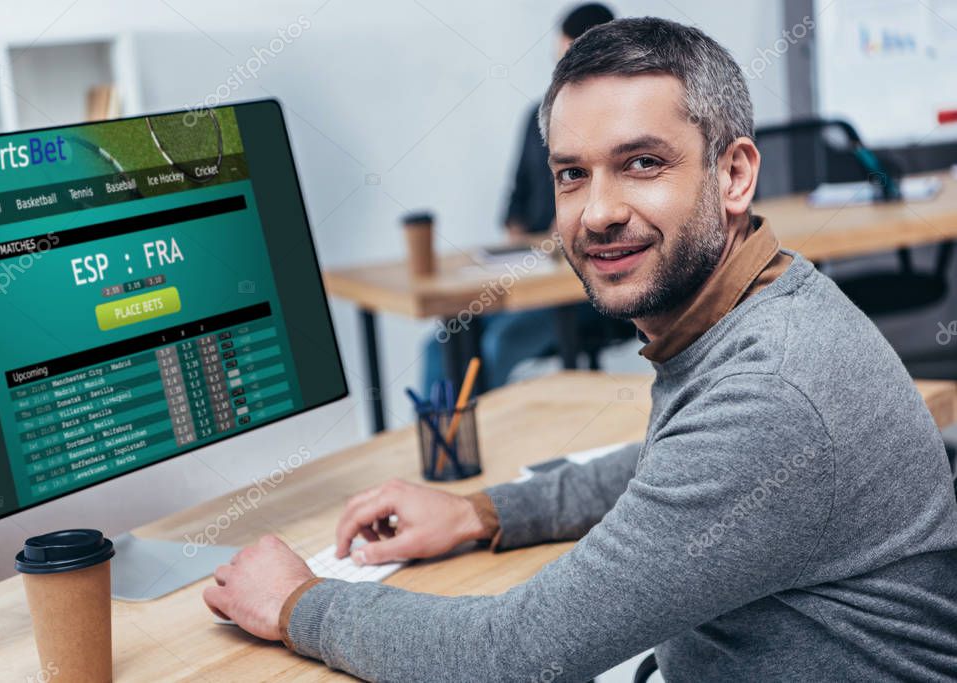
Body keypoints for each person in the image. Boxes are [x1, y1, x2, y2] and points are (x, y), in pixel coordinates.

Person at [204, 17, 957, 681]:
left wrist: (298, 601)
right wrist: (483, 511)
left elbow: (514, 656)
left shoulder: (771, 392)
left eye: (641, 163)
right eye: (572, 174)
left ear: (733, 174)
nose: (597, 212)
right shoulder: (768, 302)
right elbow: (672, 468)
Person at [421, 3, 618, 395]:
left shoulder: (626, 123)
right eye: (558, 60)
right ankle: (447, 452)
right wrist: (526, 249)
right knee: (439, 345)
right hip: (533, 275)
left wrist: (567, 233)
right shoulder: (539, 118)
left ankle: (480, 448)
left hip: (589, 289)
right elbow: (514, 207)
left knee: (499, 345)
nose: (562, 73)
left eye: (571, 60)